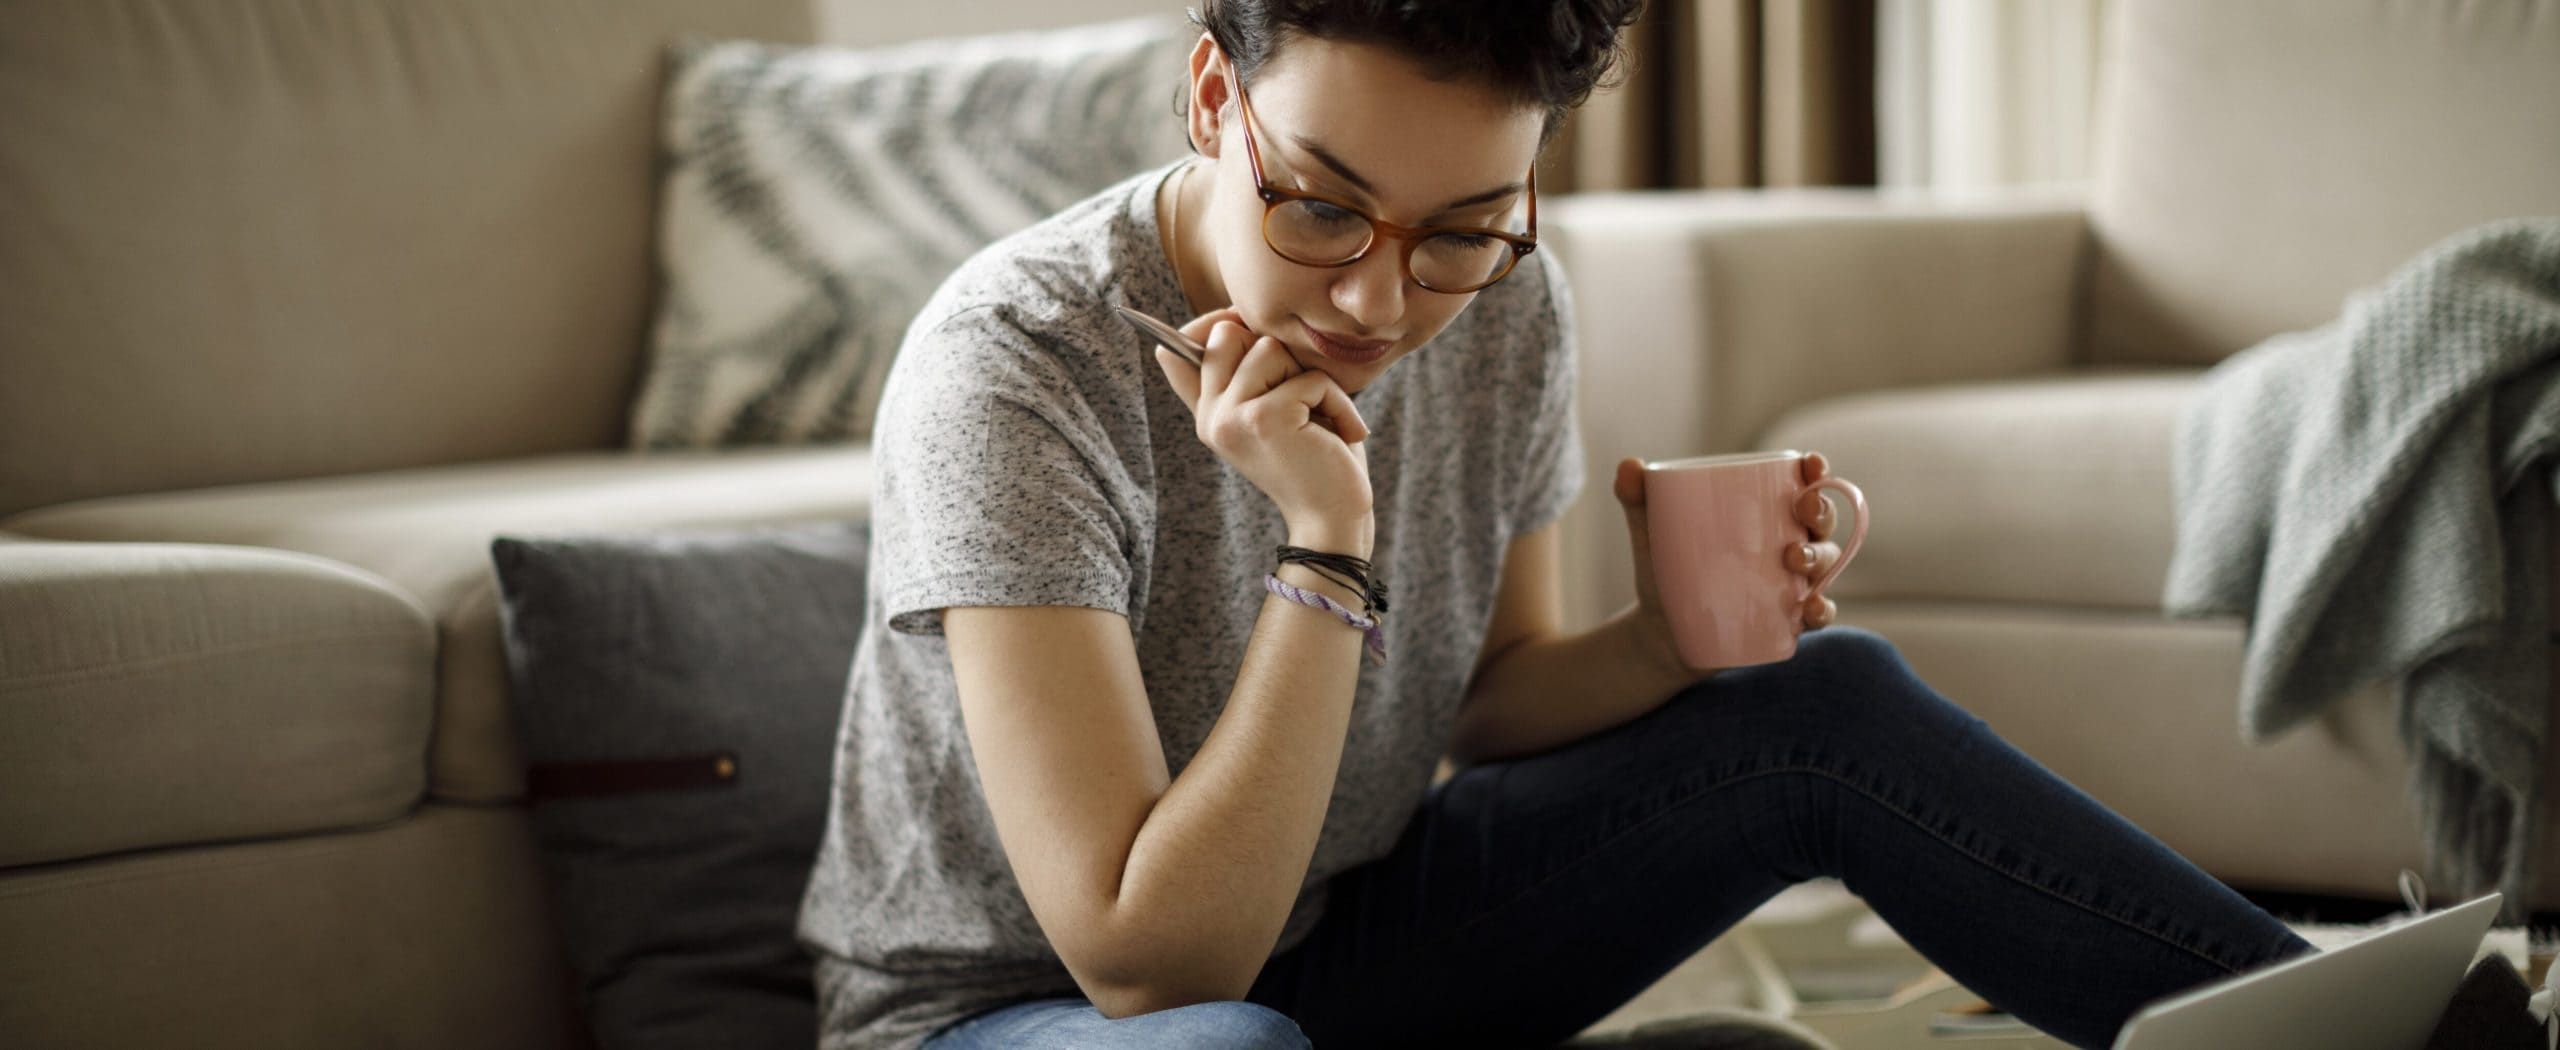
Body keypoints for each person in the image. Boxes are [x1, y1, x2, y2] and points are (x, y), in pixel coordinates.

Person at [794, 2, 2322, 1047]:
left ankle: (2373, 1024)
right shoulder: (1017, 361)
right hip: (1014, 1011)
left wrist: (1665, 644)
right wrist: (1325, 547)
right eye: (1320, 208)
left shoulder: (1508, 310)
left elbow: (1494, 699)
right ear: (1215, 98)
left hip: (1347, 936)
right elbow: (1143, 959)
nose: (1381, 303)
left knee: (1818, 703)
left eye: (1463, 229)